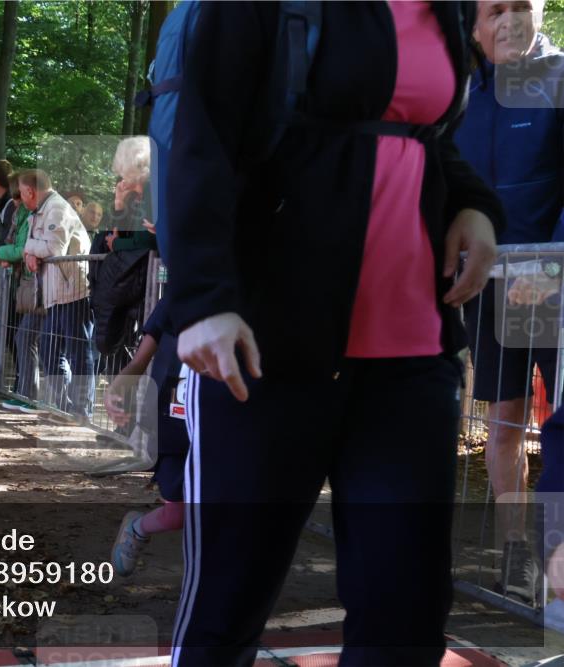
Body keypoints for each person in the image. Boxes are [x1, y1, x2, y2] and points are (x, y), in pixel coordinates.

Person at [165, 3, 504, 665]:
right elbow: (200, 134)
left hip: (409, 362)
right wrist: (203, 299)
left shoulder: (450, 9)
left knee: (403, 615)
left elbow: (422, 136)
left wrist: (476, 206)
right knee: (227, 605)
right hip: (265, 352)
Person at [453, 0, 564, 606]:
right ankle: (517, 559)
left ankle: (558, 560)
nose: (510, 21)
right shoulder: (463, 92)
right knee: (503, 423)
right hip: (492, 287)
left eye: (522, 6)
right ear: (475, 26)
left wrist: (551, 262)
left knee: (561, 427)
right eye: (496, 10)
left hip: (557, 283)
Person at [106, 295, 187, 576]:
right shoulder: (174, 302)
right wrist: (117, 388)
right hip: (174, 430)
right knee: (177, 514)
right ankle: (136, 529)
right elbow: (140, 360)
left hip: (219, 433)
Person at [21, 169, 94, 419]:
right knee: (50, 351)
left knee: (77, 352)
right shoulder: (41, 210)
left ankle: (82, 410)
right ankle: (63, 407)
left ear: (30, 191)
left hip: (73, 291)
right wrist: (32, 253)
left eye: (21, 192)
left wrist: (28, 249)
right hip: (55, 293)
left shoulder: (57, 209)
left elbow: (54, 247)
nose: (21, 198)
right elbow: (44, 249)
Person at [0, 175, 42, 412]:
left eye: (19, 197)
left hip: (40, 285)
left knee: (26, 339)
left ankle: (30, 396)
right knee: (24, 339)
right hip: (30, 284)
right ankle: (25, 392)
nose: (17, 202)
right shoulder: (23, 216)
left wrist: (2, 253)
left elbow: (21, 249)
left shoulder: (31, 217)